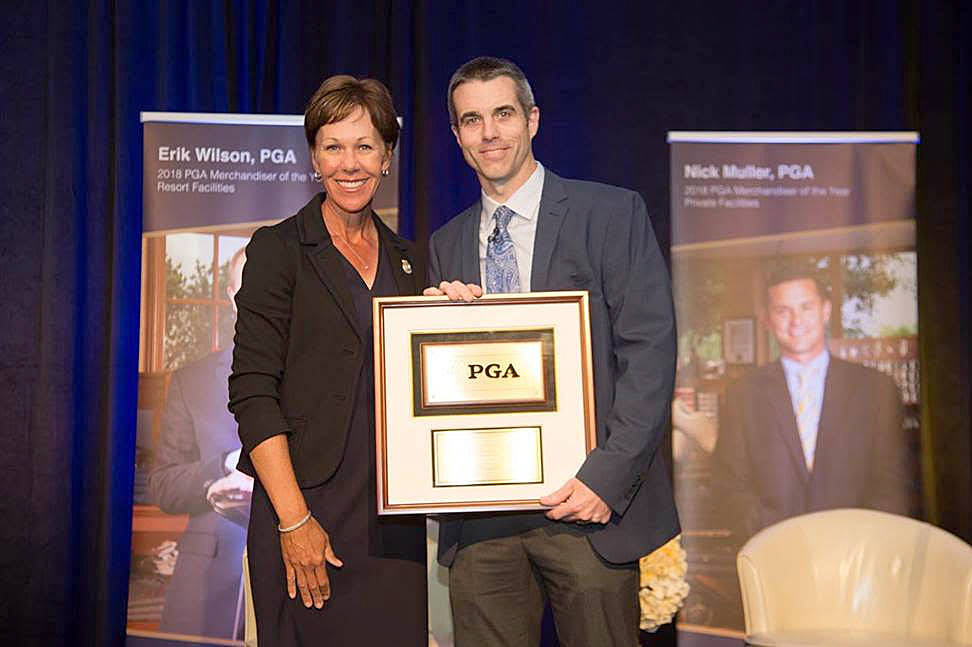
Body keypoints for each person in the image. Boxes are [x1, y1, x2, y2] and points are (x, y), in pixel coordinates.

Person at [425, 56, 679, 646]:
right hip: (481, 519)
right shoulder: (447, 244)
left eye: (503, 114)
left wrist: (605, 480)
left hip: (586, 508)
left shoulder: (611, 213)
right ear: (457, 135)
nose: (488, 133)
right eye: (471, 120)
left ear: (533, 120)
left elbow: (650, 354)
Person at [228, 75, 427, 646]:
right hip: (305, 516)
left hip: (393, 528)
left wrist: (455, 317)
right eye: (334, 146)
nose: (350, 163)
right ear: (314, 156)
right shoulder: (279, 250)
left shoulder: (412, 262)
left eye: (365, 146)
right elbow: (252, 392)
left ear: (387, 155)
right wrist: (294, 521)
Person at [713, 264, 912, 541]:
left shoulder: (875, 389)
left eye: (806, 307)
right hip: (774, 554)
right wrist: (772, 537)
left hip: (857, 556)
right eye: (783, 310)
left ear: (825, 310)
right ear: (767, 319)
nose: (796, 320)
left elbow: (893, 483)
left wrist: (863, 545)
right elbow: (728, 484)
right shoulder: (742, 394)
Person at [148, 246, 251, 639]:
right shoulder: (191, 381)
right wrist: (224, 465)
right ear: (230, 296)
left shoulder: (319, 380)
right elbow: (163, 486)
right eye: (247, 287)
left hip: (302, 577)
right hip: (207, 585)